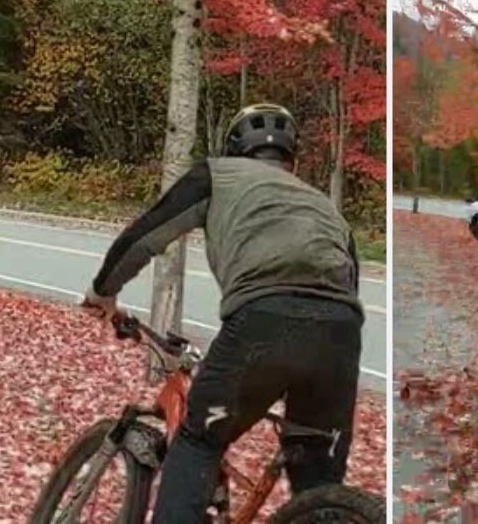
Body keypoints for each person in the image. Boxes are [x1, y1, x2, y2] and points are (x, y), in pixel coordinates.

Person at [80, 103, 365, 522]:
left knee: (198, 441)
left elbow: (147, 234)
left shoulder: (217, 174)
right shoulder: (325, 206)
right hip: (341, 333)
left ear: (233, 150)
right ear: (293, 159)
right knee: (318, 483)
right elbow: (350, 282)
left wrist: (102, 291)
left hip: (262, 320)